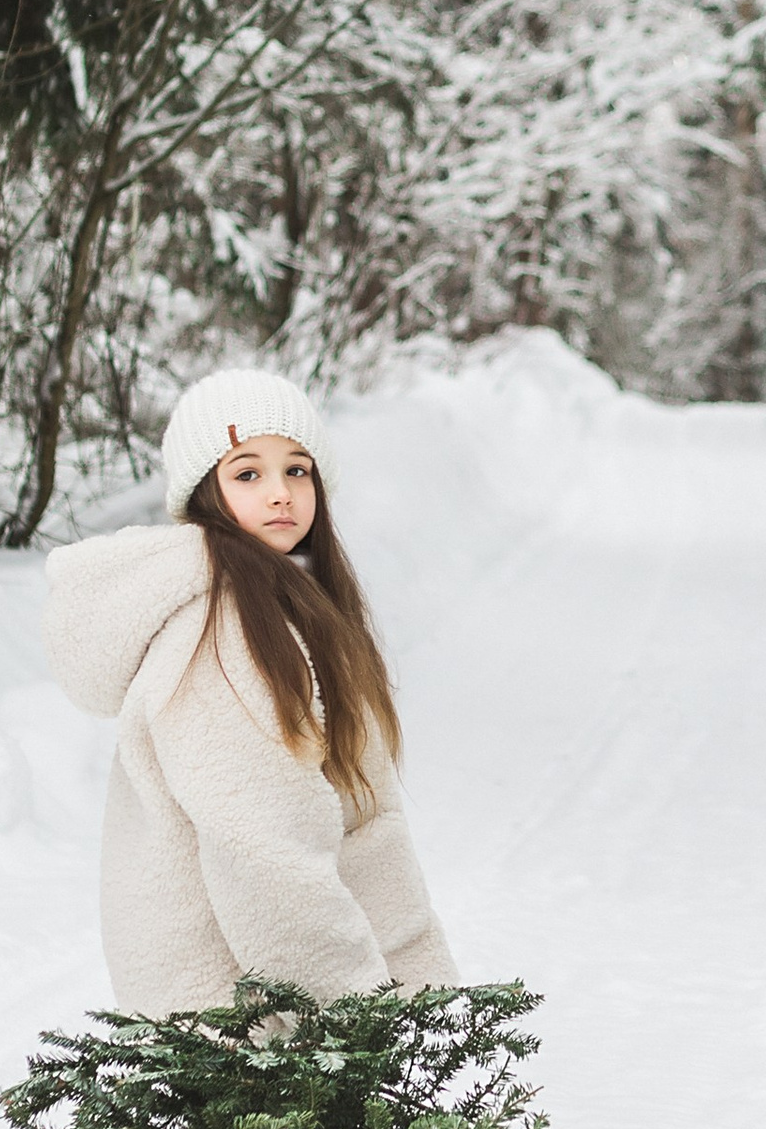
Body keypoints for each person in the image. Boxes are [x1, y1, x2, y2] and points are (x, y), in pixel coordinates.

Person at [40, 365, 459, 1016]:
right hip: (240, 1025)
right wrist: (358, 1022)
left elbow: (362, 828)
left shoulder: (296, 614)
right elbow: (266, 858)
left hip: (279, 1013)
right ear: (205, 494)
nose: (280, 493)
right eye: (247, 473)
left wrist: (420, 996)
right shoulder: (222, 636)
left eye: (297, 469)